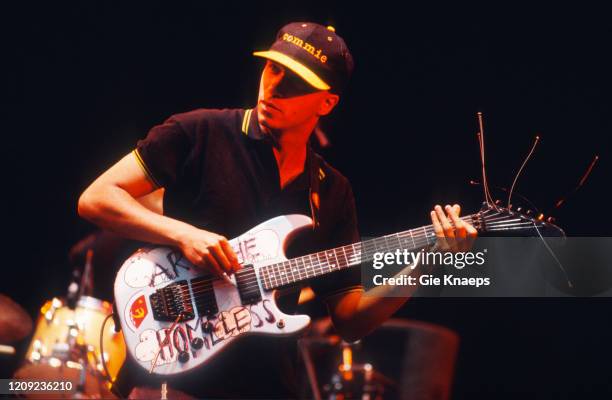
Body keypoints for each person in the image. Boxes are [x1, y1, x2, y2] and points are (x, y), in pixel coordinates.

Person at [78, 22, 476, 398]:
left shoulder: (332, 191)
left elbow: (351, 319)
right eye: (272, 68)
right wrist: (183, 234)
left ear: (327, 102)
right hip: (171, 377)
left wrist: (427, 263)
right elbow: (96, 198)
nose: (274, 88)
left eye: (296, 82)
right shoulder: (199, 131)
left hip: (264, 385)